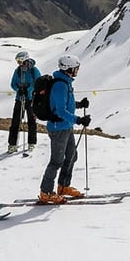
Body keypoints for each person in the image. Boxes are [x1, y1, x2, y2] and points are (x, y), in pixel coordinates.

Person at [38, 54, 91, 205]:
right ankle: (45, 193)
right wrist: (79, 120)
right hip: (58, 128)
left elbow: (65, 103)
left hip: (66, 127)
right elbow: (60, 111)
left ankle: (63, 186)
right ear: (69, 68)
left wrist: (79, 104)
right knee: (56, 161)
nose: (77, 71)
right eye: (76, 68)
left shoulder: (66, 82)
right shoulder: (60, 85)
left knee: (71, 156)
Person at [8, 52, 40, 153]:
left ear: (26, 60)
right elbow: (13, 83)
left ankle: (31, 143)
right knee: (15, 121)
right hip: (19, 98)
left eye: (20, 61)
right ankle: (12, 144)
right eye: (18, 61)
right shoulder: (17, 71)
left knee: (31, 120)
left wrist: (29, 90)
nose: (19, 63)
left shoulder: (33, 70)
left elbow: (38, 83)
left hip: (31, 99)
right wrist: (18, 89)